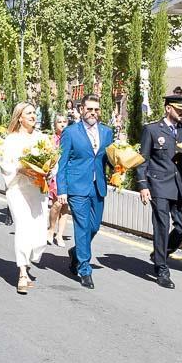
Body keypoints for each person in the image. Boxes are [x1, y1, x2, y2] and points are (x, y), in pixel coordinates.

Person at [136, 93, 182, 290]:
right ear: (168, 108)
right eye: (179, 110)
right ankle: (161, 268)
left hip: (180, 187)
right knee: (161, 226)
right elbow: (142, 159)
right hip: (158, 185)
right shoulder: (152, 130)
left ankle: (161, 252)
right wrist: (143, 185)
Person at [56, 95, 113, 290]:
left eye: (96, 110)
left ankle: (76, 252)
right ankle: (84, 268)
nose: (93, 113)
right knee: (82, 225)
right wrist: (62, 189)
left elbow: (109, 160)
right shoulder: (71, 133)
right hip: (77, 187)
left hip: (98, 187)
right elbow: (61, 163)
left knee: (94, 226)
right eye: (89, 109)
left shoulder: (107, 132)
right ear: (81, 110)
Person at [0, 103, 54, 294]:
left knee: (39, 233)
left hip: (38, 189)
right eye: (29, 113)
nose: (33, 116)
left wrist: (48, 171)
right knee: (23, 227)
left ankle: (29, 259)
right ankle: (22, 272)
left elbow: (52, 160)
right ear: (19, 117)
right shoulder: (12, 140)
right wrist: (20, 168)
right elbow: (5, 163)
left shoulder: (43, 138)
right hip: (18, 189)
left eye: (34, 113)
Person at [47, 113, 71, 246]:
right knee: (57, 204)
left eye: (64, 121)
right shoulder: (52, 139)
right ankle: (51, 229)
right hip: (56, 173)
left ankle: (60, 235)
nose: (62, 124)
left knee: (65, 205)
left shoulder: (71, 137)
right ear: (54, 125)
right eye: (59, 122)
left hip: (69, 174)